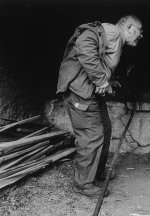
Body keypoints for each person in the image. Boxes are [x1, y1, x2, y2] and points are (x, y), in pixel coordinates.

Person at [56, 15, 143, 197]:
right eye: (139, 31)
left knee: (105, 129)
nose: (141, 36)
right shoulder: (112, 31)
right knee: (92, 136)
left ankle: (97, 172)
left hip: (91, 94)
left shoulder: (115, 38)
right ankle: (84, 184)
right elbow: (84, 45)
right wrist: (101, 79)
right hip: (81, 93)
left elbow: (100, 62)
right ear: (129, 27)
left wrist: (110, 82)